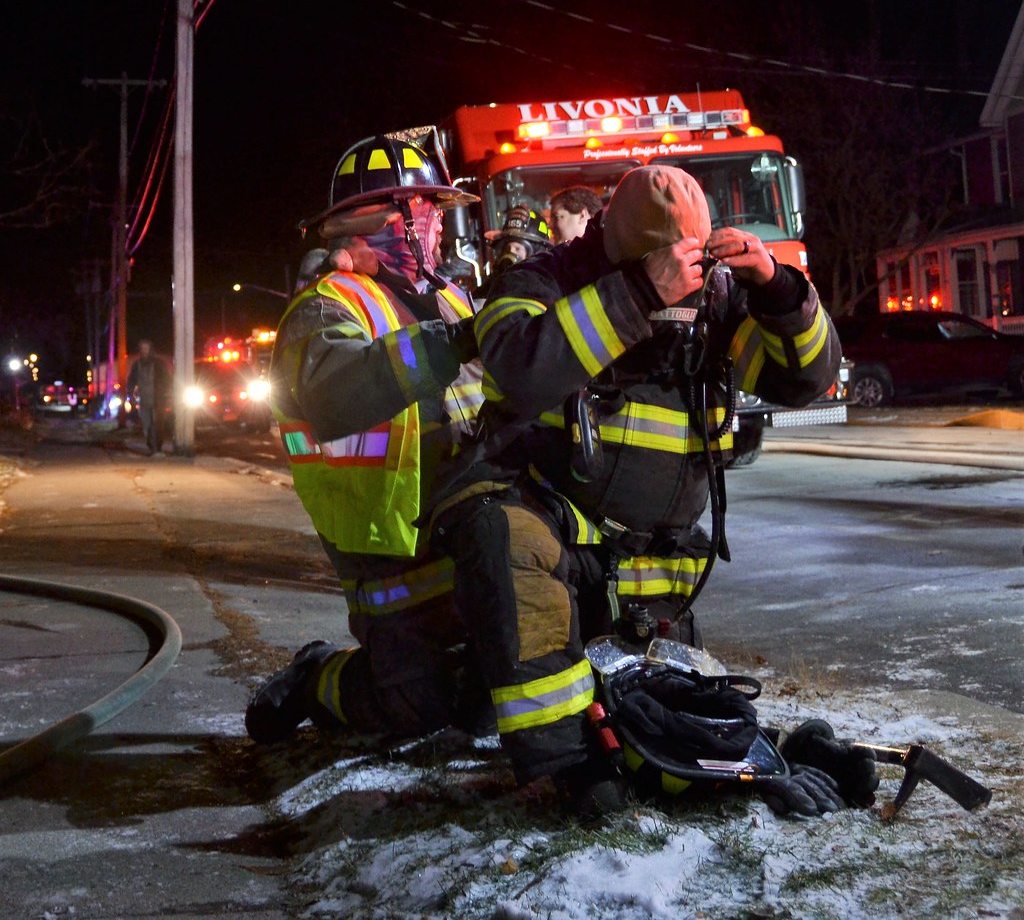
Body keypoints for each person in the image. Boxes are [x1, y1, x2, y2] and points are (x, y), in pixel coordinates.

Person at [427, 165, 876, 817]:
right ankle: (566, 770)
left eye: (686, 263)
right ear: (613, 245)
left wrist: (777, 290)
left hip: (653, 555)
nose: (678, 288)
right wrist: (636, 294)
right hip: (556, 533)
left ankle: (764, 752)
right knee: (506, 551)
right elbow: (520, 368)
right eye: (660, 264)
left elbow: (802, 382)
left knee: (659, 708)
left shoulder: (713, 295)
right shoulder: (543, 279)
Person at [244, 131, 489, 746]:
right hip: (387, 544)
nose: (437, 225)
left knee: (487, 694)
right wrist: (455, 342)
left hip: (461, 527)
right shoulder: (325, 306)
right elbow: (340, 393)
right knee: (416, 707)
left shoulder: (450, 298)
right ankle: (316, 677)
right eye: (427, 209)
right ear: (386, 219)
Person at [126, 339, 171, 455]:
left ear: (150, 349)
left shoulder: (158, 363)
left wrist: (167, 392)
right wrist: (130, 394)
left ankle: (157, 447)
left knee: (157, 424)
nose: (144, 351)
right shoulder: (137, 365)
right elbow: (132, 380)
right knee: (147, 424)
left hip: (158, 399)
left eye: (146, 348)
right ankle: (151, 445)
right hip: (144, 399)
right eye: (142, 349)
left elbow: (167, 379)